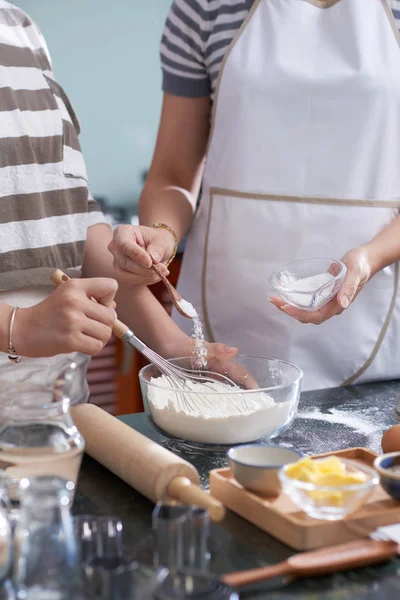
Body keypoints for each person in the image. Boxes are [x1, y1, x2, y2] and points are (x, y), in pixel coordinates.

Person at [109, 0, 400, 391]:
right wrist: (163, 231)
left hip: (373, 327)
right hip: (224, 329)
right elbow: (173, 174)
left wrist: (370, 257)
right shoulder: (205, 8)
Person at [0, 1, 237, 404]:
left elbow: (73, 218)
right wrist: (15, 327)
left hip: (52, 412)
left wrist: (174, 346)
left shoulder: (19, 29)